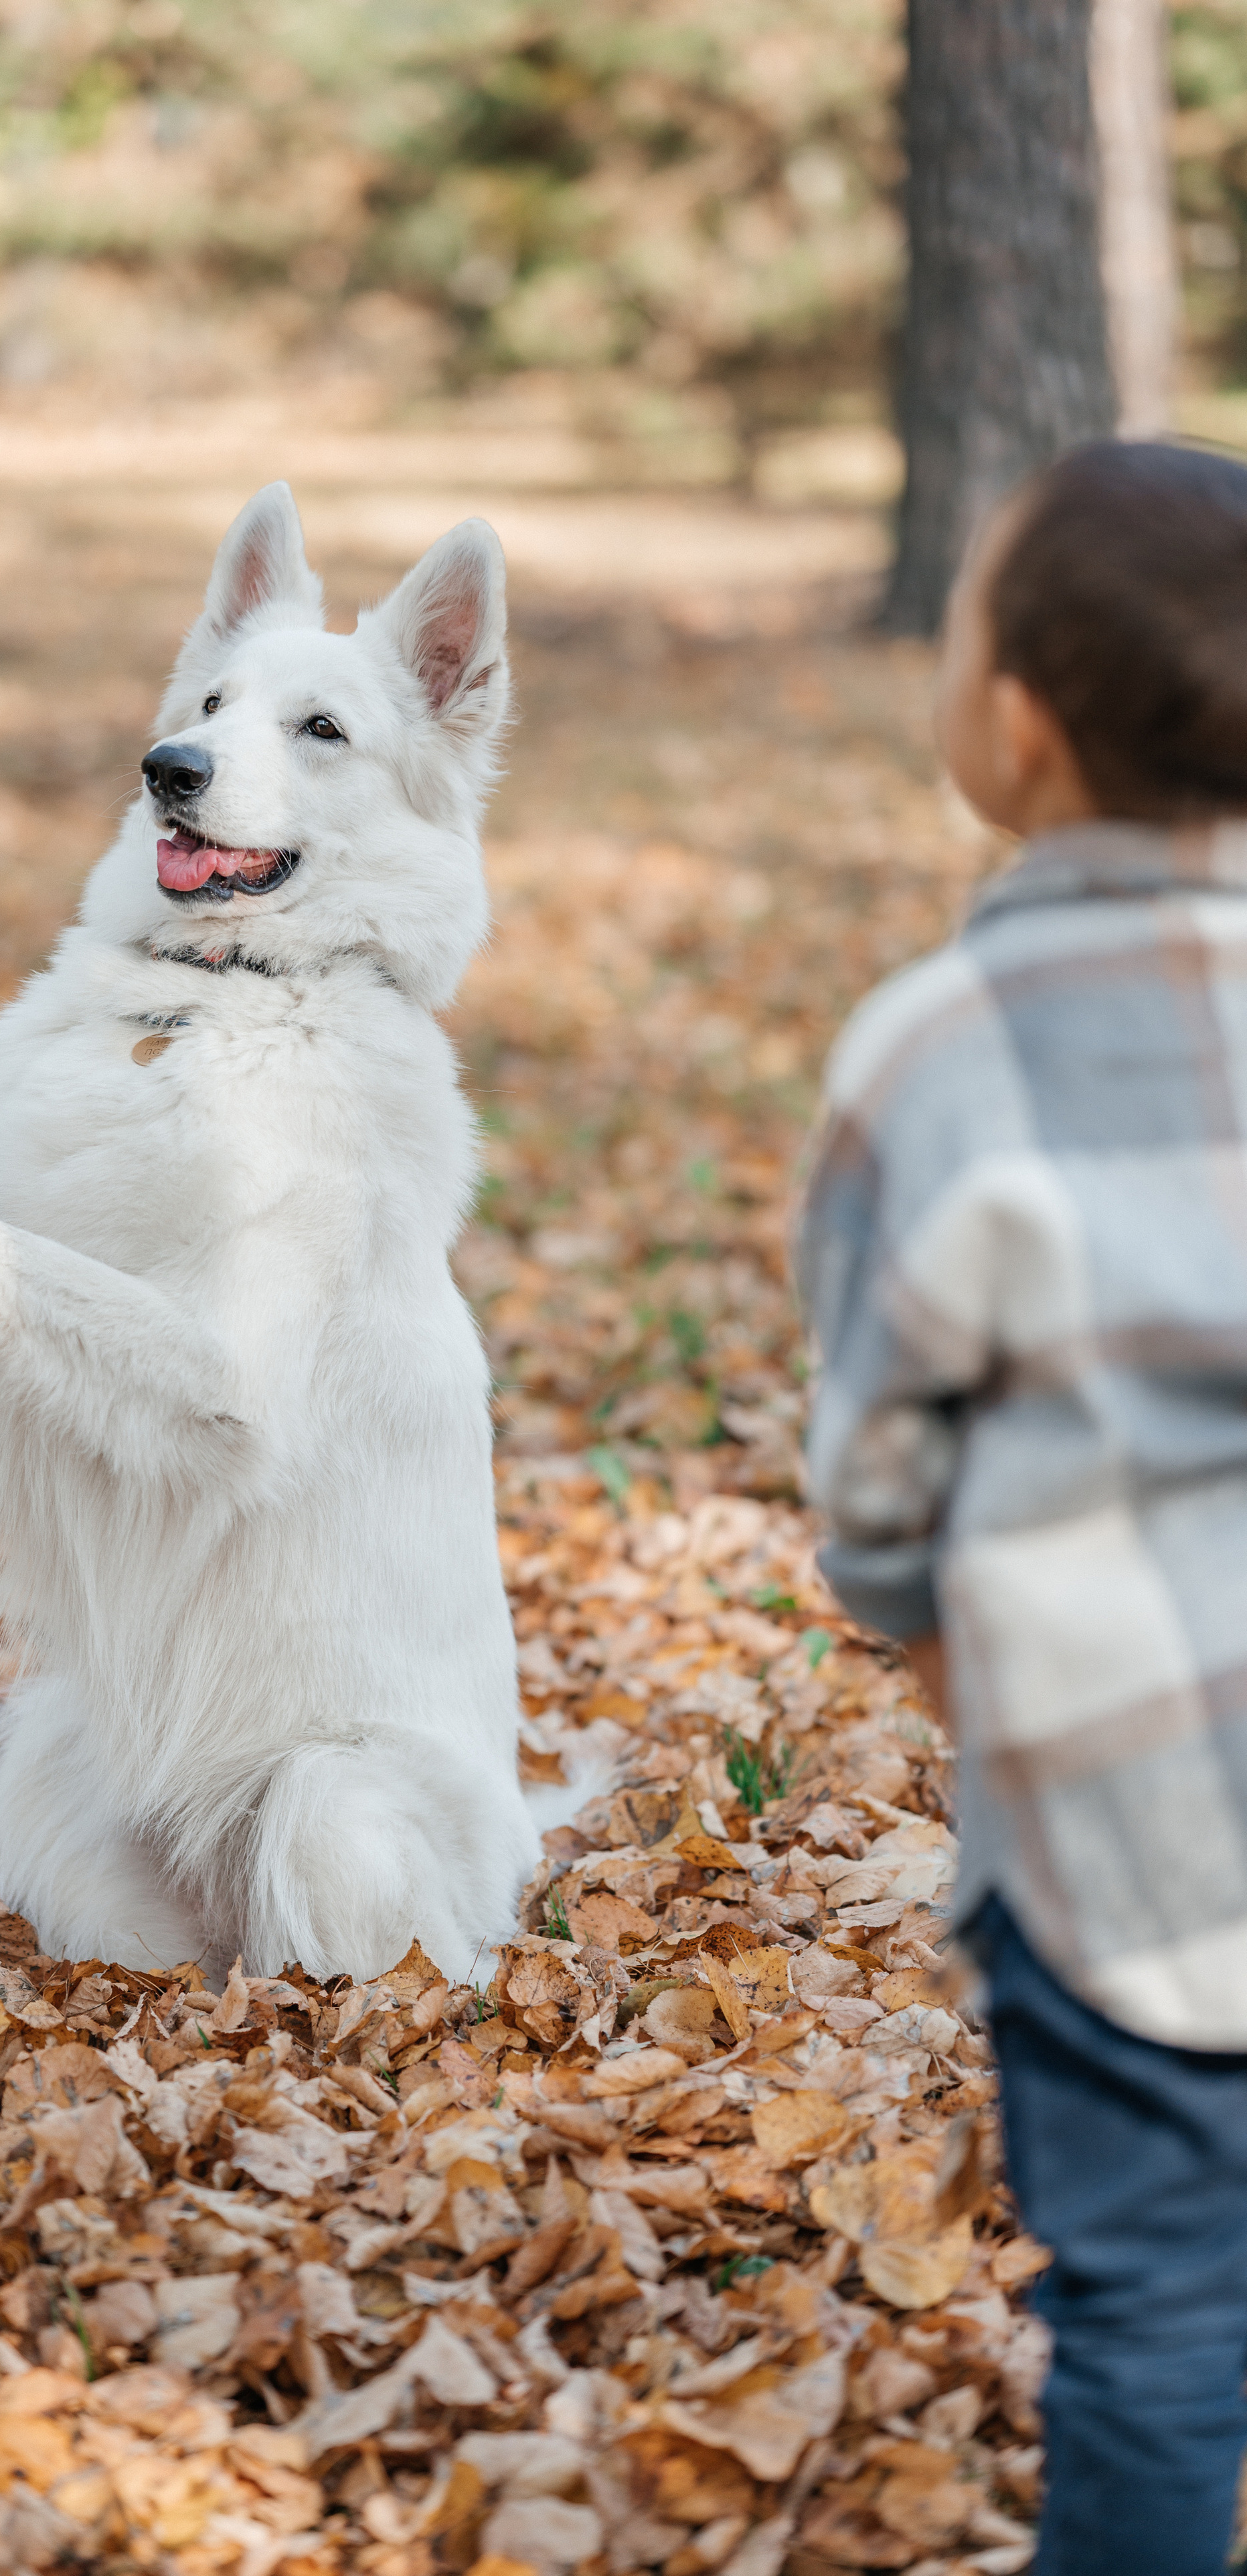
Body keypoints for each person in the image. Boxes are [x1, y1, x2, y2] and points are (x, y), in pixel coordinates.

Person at [799, 439, 1247, 2576]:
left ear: (1019, 723)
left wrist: (912, 1616)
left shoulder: (938, 1045)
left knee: (1155, 2303)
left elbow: (883, 1459)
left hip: (1112, 1799)